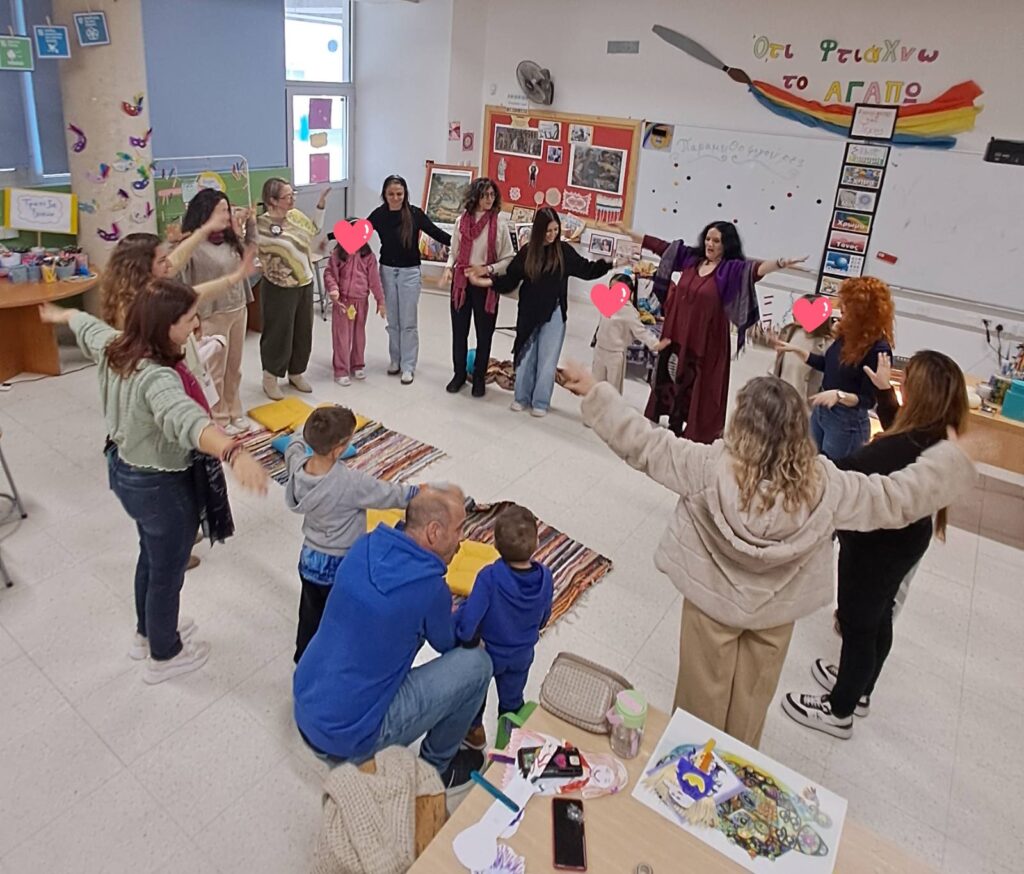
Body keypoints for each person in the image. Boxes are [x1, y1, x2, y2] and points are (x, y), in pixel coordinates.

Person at [557, 360, 977, 748]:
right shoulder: (827, 487)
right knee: (750, 707)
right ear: (800, 431)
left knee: (699, 705)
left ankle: (688, 777)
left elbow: (645, 444)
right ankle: (735, 772)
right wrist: (949, 460)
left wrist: (595, 391)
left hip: (711, 605)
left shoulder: (705, 467)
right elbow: (897, 498)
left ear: (740, 424)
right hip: (776, 613)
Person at [39, 283, 268, 684]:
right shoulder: (157, 377)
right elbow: (186, 419)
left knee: (151, 553)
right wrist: (233, 452)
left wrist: (62, 314)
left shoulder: (117, 344)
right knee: (167, 568)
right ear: (165, 328)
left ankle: (147, 633)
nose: (196, 324)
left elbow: (87, 325)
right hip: (159, 485)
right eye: (189, 319)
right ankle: (165, 654)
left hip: (125, 473)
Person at [783, 350, 969, 738]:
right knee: (879, 614)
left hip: (875, 547)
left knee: (858, 622)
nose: (902, 387)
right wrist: (884, 394)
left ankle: (839, 709)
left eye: (907, 383)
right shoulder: (932, 436)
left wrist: (792, 457)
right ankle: (860, 688)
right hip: (905, 542)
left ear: (923, 393)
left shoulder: (899, 447)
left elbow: (843, 473)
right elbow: (899, 431)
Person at [293, 485, 493, 792]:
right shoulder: (429, 589)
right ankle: (436, 770)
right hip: (347, 741)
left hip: (307, 704)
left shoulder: (365, 544)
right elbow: (450, 644)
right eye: (459, 529)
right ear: (434, 532)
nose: (462, 538)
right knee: (476, 664)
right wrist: (471, 623)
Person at [99, 228, 257, 570]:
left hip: (177, 397)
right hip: (164, 414)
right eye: (160, 259)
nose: (169, 262)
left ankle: (177, 535)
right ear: (141, 268)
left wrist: (234, 276)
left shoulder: (154, 299)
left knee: (182, 472)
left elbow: (192, 289)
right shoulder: (142, 316)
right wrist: (232, 451)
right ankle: (175, 543)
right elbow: (179, 415)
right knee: (176, 476)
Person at [609, 220, 805, 443]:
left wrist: (781, 263)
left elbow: (756, 269)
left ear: (726, 245)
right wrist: (628, 232)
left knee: (700, 384)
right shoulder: (691, 259)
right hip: (678, 332)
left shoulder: (730, 269)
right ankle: (671, 418)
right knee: (672, 373)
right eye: (708, 239)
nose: (710, 244)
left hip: (706, 339)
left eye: (716, 241)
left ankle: (694, 429)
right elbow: (659, 246)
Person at [284, 405, 418, 663]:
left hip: (309, 558)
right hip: (340, 563)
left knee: (310, 612)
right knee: (341, 616)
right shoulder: (350, 483)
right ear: (338, 450)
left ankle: (304, 656)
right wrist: (417, 493)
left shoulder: (297, 467)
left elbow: (293, 445)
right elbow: (388, 494)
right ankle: (337, 660)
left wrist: (306, 433)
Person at [470, 206, 610, 413]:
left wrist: (611, 263)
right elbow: (509, 280)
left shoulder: (564, 251)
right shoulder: (528, 252)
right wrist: (486, 282)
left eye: (556, 230)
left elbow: (587, 270)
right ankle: (521, 397)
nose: (552, 235)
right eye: (548, 231)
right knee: (526, 357)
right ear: (538, 230)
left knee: (547, 360)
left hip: (554, 312)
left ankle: (540, 402)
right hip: (528, 313)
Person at [454, 504, 553, 749]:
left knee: (477, 696)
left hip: (489, 654)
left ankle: (475, 733)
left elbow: (469, 622)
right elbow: (544, 617)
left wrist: (466, 639)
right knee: (512, 700)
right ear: (537, 543)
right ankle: (509, 742)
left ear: (495, 546)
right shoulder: (546, 577)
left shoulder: (488, 577)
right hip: (522, 655)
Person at [774, 276, 894, 460]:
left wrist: (839, 395)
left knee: (833, 476)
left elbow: (868, 400)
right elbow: (827, 366)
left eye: (846, 306)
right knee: (809, 466)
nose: (841, 311)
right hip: (822, 412)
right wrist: (798, 351)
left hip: (846, 421)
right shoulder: (846, 334)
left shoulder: (878, 349)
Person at [179, 188, 257, 434]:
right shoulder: (192, 244)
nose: (227, 215)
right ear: (206, 213)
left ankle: (235, 410)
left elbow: (249, 255)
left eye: (228, 209)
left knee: (234, 366)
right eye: (222, 210)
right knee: (215, 370)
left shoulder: (230, 238)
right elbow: (182, 283)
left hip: (238, 307)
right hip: (211, 314)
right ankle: (219, 417)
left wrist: (250, 223)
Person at [367, 175, 452, 383]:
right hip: (387, 271)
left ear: (405, 195)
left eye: (399, 194)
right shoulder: (379, 215)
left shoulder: (414, 214)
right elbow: (358, 232)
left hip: (410, 273)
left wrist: (463, 244)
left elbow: (437, 233)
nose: (395, 198)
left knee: (408, 322)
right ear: (384, 195)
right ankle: (395, 359)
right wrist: (330, 238)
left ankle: (408, 365)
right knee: (393, 320)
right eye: (391, 194)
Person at [256, 177, 331, 400]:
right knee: (278, 333)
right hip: (279, 287)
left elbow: (314, 229)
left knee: (302, 331)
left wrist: (321, 204)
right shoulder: (260, 225)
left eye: (292, 195)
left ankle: (296, 372)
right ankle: (270, 377)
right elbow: (247, 247)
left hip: (304, 283)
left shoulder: (295, 216)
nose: (292, 200)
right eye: (287, 197)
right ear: (272, 200)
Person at [442, 178, 514, 397]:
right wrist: (448, 267)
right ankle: (459, 374)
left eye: (492, 195)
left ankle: (479, 378)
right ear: (475, 197)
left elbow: (508, 258)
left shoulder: (499, 224)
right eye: (484, 195)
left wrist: (488, 269)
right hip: (462, 284)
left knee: (484, 334)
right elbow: (454, 251)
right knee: (459, 332)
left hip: (485, 285)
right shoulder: (460, 222)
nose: (489, 200)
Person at [323, 226, 386, 386]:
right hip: (343, 301)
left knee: (359, 335)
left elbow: (374, 280)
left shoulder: (368, 256)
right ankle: (341, 369)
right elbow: (329, 273)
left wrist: (380, 300)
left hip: (361, 301)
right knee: (342, 336)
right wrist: (333, 289)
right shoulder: (338, 254)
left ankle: (357, 364)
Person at [591, 269, 670, 394]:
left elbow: (641, 331)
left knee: (612, 390)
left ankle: (612, 412)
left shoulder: (629, 312)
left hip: (615, 355)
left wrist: (655, 344)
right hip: (600, 350)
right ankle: (594, 411)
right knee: (595, 386)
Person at [770, 293, 836, 400]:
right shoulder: (791, 331)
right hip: (782, 396)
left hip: (806, 402)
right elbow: (780, 365)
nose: (794, 314)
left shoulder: (828, 343)